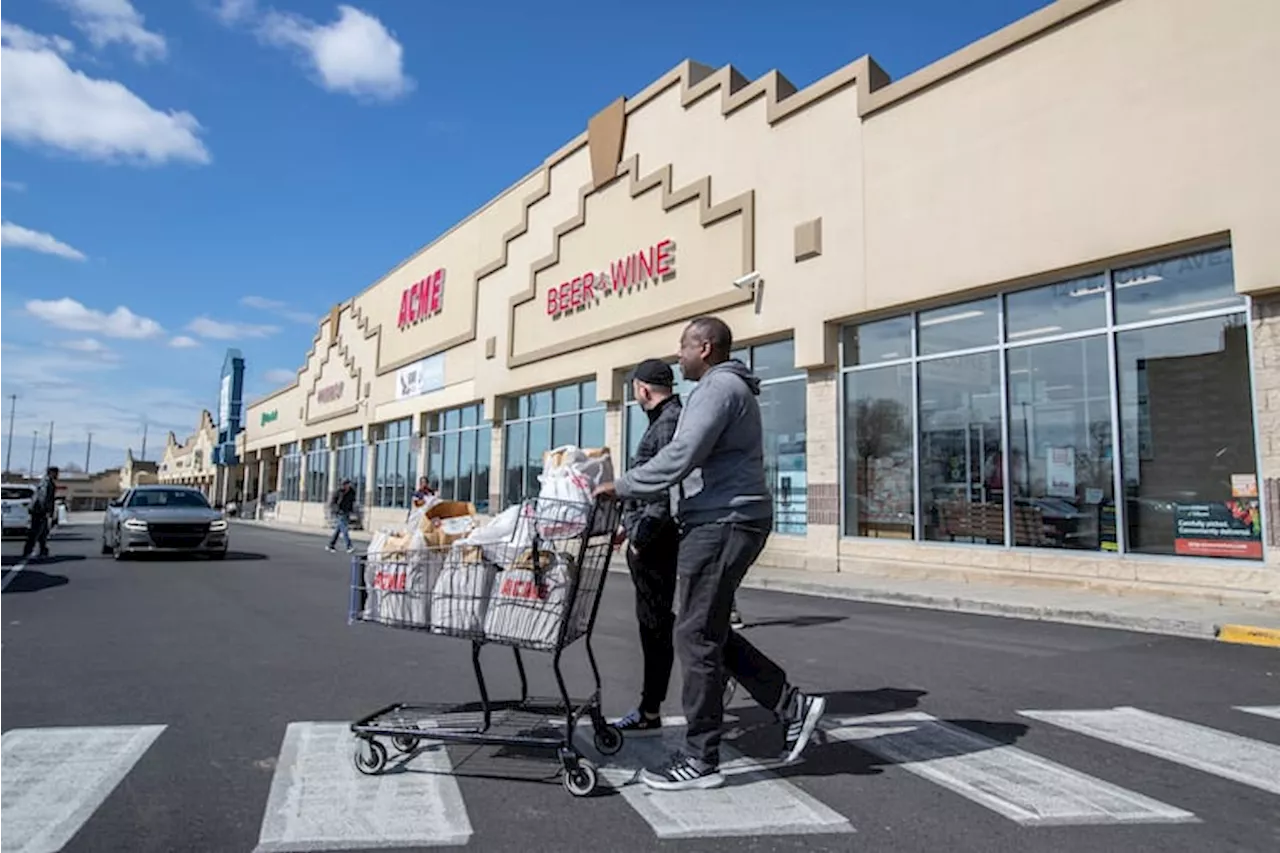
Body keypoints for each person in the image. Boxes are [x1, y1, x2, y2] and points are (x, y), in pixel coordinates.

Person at [597, 317, 825, 791]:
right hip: (722, 518)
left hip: (723, 520)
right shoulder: (721, 388)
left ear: (704, 347)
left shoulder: (718, 389)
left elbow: (682, 455)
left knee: (695, 634)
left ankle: (701, 758)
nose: (677, 358)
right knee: (707, 629)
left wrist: (619, 487)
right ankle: (792, 707)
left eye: (682, 348)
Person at [614, 359, 683, 734]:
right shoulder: (664, 421)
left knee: (657, 627)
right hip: (652, 537)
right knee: (660, 626)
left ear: (642, 389)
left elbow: (662, 490)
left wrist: (640, 536)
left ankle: (650, 710)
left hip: (657, 543)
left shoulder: (668, 423)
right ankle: (650, 707)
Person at [23, 467, 59, 561]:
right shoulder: (46, 483)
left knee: (43, 532)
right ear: (51, 472)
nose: (57, 475)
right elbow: (43, 497)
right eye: (55, 473)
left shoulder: (47, 482)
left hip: (40, 511)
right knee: (35, 531)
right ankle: (28, 551)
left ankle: (43, 550)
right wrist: (45, 510)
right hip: (39, 511)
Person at [326, 479, 357, 553]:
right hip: (340, 512)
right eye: (344, 484)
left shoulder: (352, 492)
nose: (345, 486)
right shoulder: (338, 492)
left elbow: (352, 501)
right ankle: (349, 546)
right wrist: (336, 510)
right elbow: (333, 502)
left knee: (338, 530)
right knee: (344, 529)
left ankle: (331, 545)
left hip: (346, 512)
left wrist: (352, 511)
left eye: (346, 484)